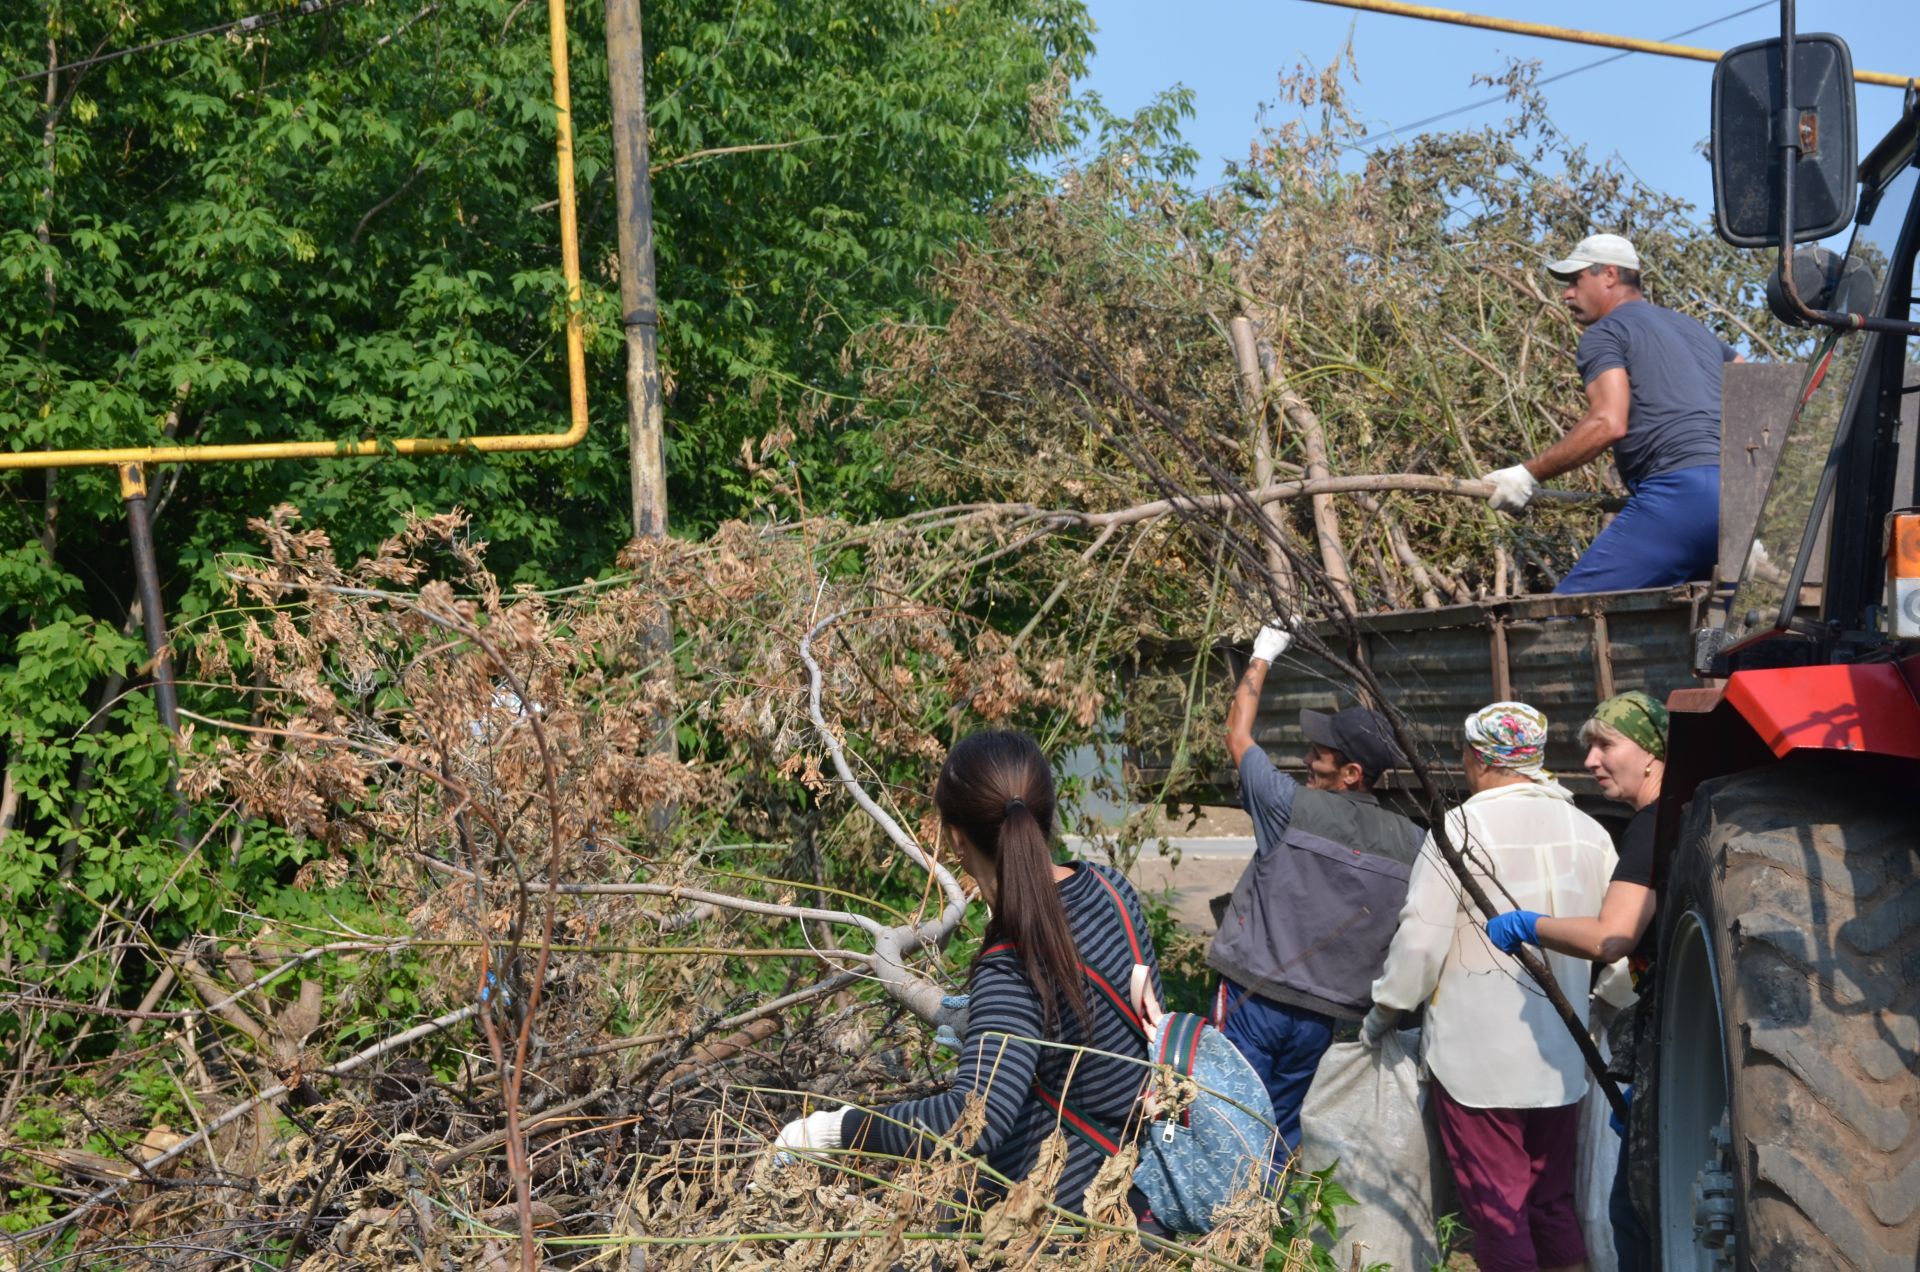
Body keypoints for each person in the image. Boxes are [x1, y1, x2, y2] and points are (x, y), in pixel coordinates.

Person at [772, 729, 1166, 1220]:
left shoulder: (1013, 962)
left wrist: (834, 1131)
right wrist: (989, 1021)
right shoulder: (1110, 888)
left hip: (1067, 1227)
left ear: (957, 840)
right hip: (1142, 1192)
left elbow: (974, 1121)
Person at [1363, 702, 1619, 1272]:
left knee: (1498, 1214)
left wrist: (1383, 1013)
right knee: (1552, 1204)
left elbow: (1421, 944)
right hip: (1563, 1063)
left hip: (1477, 1067)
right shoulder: (1592, 834)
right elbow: (1622, 944)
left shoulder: (1460, 830)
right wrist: (1602, 1005)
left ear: (1479, 758)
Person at [1206, 621, 1424, 1163]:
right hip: (1323, 1017)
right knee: (1281, 1131)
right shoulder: (1413, 844)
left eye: (1319, 754)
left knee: (1224, 1117)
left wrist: (1263, 653)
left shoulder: (1286, 806)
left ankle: (1209, 1233)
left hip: (1253, 996)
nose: (1308, 760)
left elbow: (1237, 732)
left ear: (1352, 772)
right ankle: (1261, 1235)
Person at [1485, 691, 1670, 1272]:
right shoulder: (1682, 813)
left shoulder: (1653, 824)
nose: (1590, 760)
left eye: (1605, 744)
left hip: (1667, 1035)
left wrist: (1528, 923)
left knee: (1634, 1219)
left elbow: (1610, 938)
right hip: (1668, 1032)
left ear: (1650, 755)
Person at [1482, 233, 1742, 594]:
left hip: (1682, 496)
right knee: (1699, 631)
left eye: (1575, 280)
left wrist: (1526, 475)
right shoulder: (1691, 328)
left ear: (1609, 275)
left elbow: (1608, 421)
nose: (1566, 294)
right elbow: (1752, 381)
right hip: (1741, 498)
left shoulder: (1606, 332)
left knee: (1564, 622)